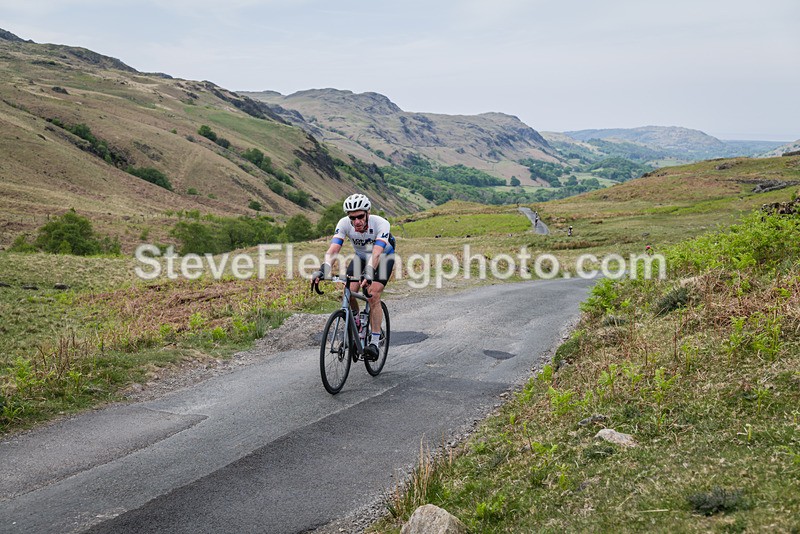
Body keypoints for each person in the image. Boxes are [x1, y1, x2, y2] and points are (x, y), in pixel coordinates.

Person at [311, 194, 395, 360]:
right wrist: (323, 269)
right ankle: (357, 321)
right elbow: (334, 249)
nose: (356, 221)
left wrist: (370, 273)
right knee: (348, 293)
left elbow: (377, 253)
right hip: (361, 257)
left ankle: (375, 342)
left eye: (360, 217)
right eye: (352, 218)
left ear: (367, 213)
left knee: (373, 294)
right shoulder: (343, 224)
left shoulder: (381, 224)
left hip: (383, 257)